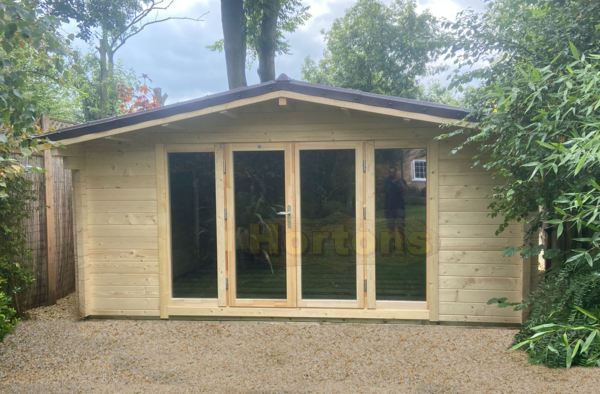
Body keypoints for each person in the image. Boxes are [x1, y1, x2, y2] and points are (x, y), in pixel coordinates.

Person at [384, 166, 408, 251]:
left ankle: (403, 243)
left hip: (399, 207)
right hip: (389, 207)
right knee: (391, 228)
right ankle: (393, 245)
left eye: (393, 172)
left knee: (400, 226)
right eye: (390, 172)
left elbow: (405, 190)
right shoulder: (387, 182)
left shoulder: (402, 181)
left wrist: (399, 182)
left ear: (396, 172)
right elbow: (386, 191)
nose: (391, 174)